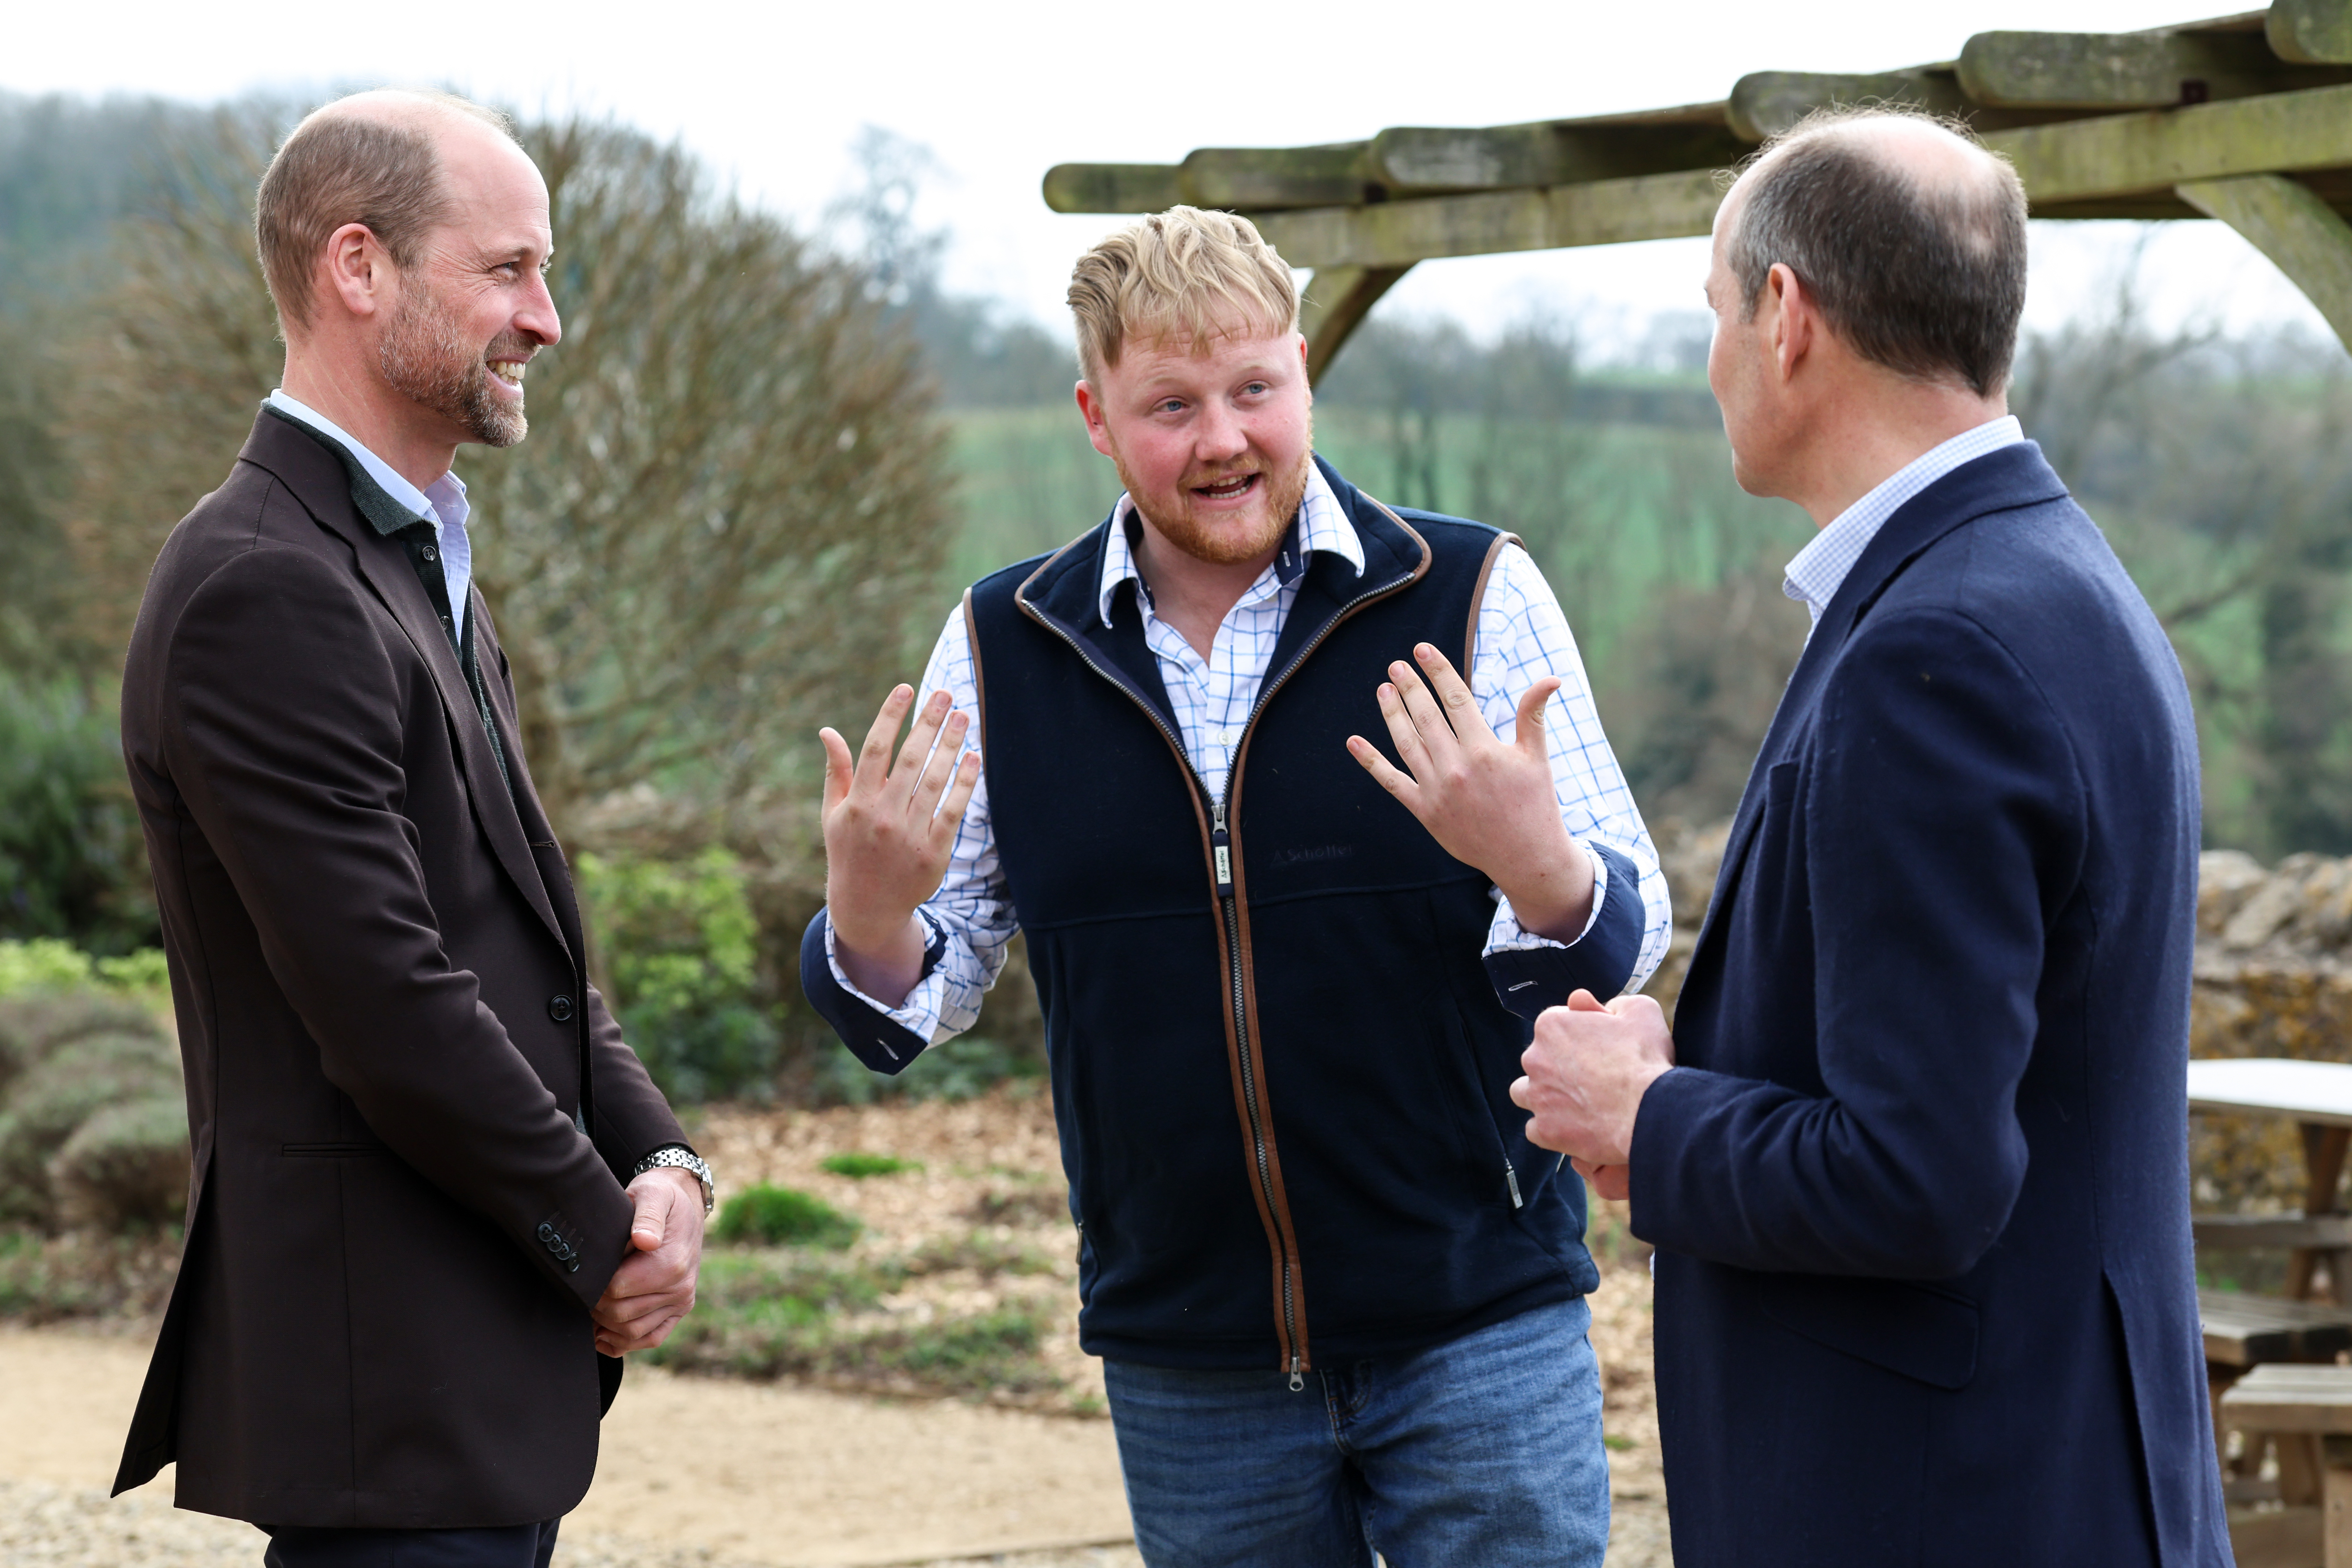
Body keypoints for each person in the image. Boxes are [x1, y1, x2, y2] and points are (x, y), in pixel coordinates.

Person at [802, 205, 1668, 1567]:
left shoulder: (1464, 590)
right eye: (1170, 404)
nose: (1221, 439)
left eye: (1254, 389)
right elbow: (931, 981)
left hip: (1477, 1322)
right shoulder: (1005, 642)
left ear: (1304, 373)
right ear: (1095, 415)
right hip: (1187, 1353)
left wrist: (1534, 863)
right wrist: (866, 908)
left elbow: (1626, 933)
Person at [1511, 108, 2229, 1565]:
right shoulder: (2055, 580)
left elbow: (1918, 1177)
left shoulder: (1941, 647)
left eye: (1714, 309)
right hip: (2056, 1477)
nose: (1708, 356)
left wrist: (1645, 1117)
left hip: (1945, 1504)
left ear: (1785, 316)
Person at [111, 89, 714, 1568]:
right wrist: (597, 1241)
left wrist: (666, 1167)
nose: (547, 319)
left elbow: (524, 931)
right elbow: (388, 1003)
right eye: (509, 270)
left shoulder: (413, 558)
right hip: (389, 1386)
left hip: (467, 1376)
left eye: (546, 272)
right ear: (358, 268)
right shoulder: (265, 587)